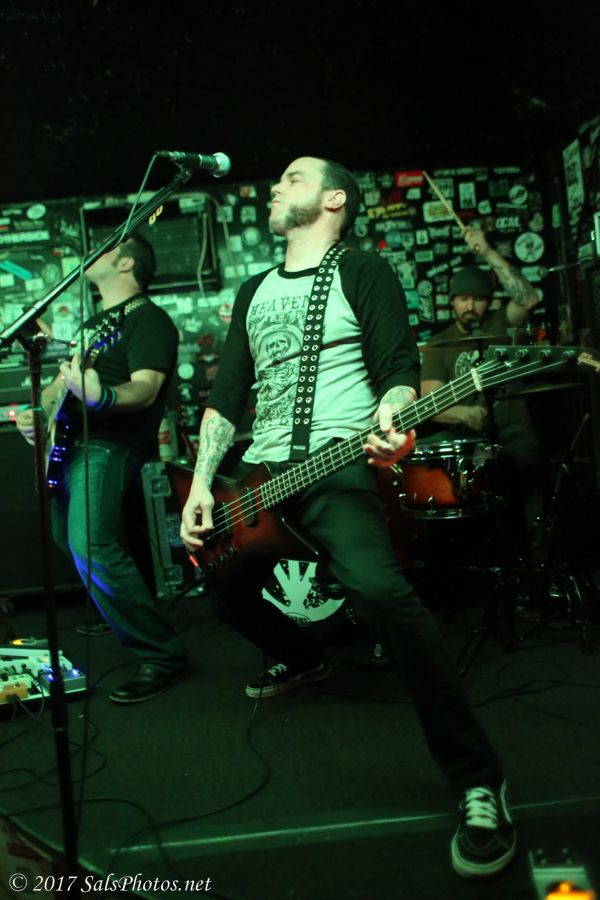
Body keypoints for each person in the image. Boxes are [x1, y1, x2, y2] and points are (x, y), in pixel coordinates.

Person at [180, 157, 516, 879]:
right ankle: (305, 658)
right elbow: (227, 393)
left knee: (378, 590)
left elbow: (396, 369)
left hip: (335, 462)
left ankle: (479, 778)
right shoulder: (253, 291)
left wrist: (395, 417)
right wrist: (202, 484)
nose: (276, 186)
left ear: (334, 199)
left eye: (294, 178)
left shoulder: (363, 270)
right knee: (222, 584)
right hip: (259, 472)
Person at [16, 234, 187, 704]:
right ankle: (122, 610)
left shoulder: (149, 318)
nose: (94, 250)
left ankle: (162, 654)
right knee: (68, 538)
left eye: (109, 247)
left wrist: (103, 395)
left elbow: (146, 388)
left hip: (107, 446)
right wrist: (37, 414)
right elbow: (57, 388)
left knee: (89, 541)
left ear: (127, 263)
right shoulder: (92, 325)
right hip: (67, 446)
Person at [420, 227, 543, 558]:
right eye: (463, 298)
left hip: (511, 431)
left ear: (489, 301)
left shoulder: (502, 324)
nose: (470, 305)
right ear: (452, 302)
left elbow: (529, 298)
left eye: (478, 298)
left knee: (527, 463)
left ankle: (538, 562)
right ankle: (458, 561)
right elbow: (430, 402)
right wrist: (464, 414)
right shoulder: (439, 345)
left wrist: (487, 252)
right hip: (465, 437)